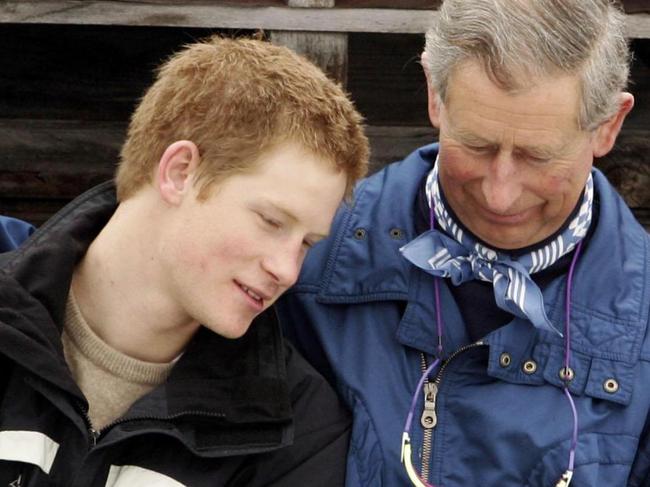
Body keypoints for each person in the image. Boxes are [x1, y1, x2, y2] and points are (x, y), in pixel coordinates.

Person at [277, 0, 650, 485]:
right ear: (435, 93)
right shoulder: (305, 261)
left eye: (538, 156)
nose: (500, 193)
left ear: (609, 125)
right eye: (477, 145)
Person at [0, 36, 368, 486]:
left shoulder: (298, 432)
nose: (287, 270)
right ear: (179, 172)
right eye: (271, 221)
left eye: (308, 242)